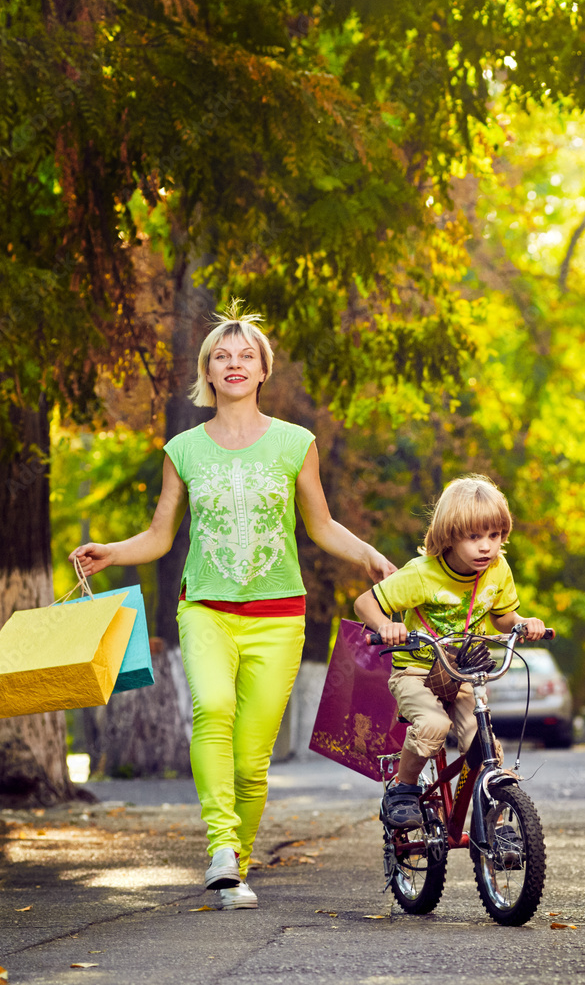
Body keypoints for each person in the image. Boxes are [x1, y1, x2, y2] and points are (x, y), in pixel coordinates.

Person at [70, 301, 396, 909]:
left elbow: (321, 525)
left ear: (263, 369)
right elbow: (162, 536)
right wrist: (113, 552)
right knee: (212, 708)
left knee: (252, 759)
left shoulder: (297, 444)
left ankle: (234, 866)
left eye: (246, 354)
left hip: (279, 615)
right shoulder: (184, 449)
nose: (235, 363)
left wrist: (371, 556)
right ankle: (221, 846)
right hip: (207, 609)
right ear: (209, 373)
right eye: (223, 356)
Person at [353, 474, 547, 828]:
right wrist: (386, 626)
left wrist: (523, 622)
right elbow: (364, 603)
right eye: (474, 537)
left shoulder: (498, 570)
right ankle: (404, 789)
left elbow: (503, 617)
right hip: (416, 672)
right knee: (433, 725)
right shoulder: (421, 574)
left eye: (494, 535)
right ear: (450, 535)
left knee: (485, 744)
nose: (486, 547)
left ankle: (495, 822)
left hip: (463, 671)